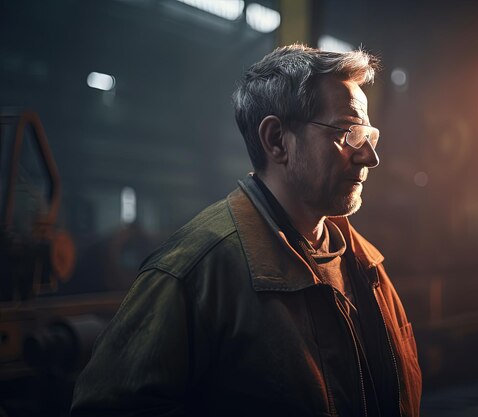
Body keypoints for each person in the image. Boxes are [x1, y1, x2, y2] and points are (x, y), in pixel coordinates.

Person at [71, 44, 422, 417]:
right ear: (276, 140)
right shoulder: (195, 274)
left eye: (368, 135)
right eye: (349, 132)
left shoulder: (366, 265)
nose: (370, 156)